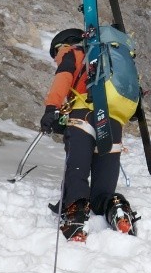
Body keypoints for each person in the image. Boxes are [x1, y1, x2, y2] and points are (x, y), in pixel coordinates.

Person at [41, 28, 137, 241]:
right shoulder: (109, 61)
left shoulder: (72, 53)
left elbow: (64, 78)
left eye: (55, 53)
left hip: (83, 116)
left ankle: (75, 216)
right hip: (113, 120)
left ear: (63, 44)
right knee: (102, 192)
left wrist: (51, 108)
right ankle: (117, 209)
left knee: (77, 171)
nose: (56, 58)